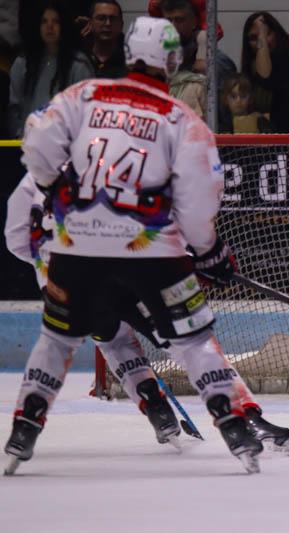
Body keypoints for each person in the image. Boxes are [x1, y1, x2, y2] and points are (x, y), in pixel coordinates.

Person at [3, 17, 289, 476]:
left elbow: (36, 140)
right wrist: (209, 250)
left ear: (127, 50)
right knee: (190, 338)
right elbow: (199, 195)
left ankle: (25, 426)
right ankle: (237, 420)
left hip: (77, 250)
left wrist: (58, 198)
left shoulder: (85, 97)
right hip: (151, 250)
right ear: (174, 60)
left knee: (62, 337)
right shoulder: (181, 117)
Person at [5, 166, 183, 449]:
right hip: (118, 275)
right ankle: (233, 413)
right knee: (179, 340)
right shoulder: (109, 162)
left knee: (101, 342)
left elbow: (16, 239)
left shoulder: (31, 180)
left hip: (62, 285)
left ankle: (27, 426)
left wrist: (48, 264)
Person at [8, 0, 94, 138]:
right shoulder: (22, 63)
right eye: (44, 21)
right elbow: (14, 109)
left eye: (56, 21)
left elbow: (86, 111)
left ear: (64, 26)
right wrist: (22, 136)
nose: (50, 26)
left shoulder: (79, 65)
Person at [237, 11, 289, 132]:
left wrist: (262, 39)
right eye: (253, 38)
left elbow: (265, 76)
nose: (262, 40)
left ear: (276, 33)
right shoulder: (251, 68)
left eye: (267, 33)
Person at [81, 0, 126, 78]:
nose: (107, 23)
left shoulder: (131, 60)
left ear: (121, 25)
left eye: (113, 19)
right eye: (101, 18)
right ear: (90, 24)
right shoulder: (79, 57)